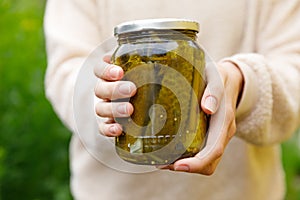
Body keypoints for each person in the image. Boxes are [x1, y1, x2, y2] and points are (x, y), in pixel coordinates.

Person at [44, 0, 300, 199]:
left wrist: (243, 83)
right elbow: (65, 72)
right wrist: (103, 99)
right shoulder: (127, 50)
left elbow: (293, 70)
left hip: (242, 193)